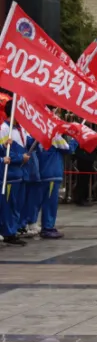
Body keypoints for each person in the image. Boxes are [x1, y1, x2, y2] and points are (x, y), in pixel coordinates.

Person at [37, 131, 76, 239]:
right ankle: (47, 228)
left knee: (48, 202)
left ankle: (48, 226)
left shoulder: (40, 134)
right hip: (51, 174)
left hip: (46, 173)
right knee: (50, 203)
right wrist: (75, 140)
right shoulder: (53, 136)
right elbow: (68, 148)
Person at [0, 103, 29, 246]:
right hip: (9, 174)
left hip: (19, 174)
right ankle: (9, 233)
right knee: (8, 205)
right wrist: (19, 158)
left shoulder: (20, 129)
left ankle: (14, 230)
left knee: (17, 205)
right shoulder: (4, 129)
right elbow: (4, 152)